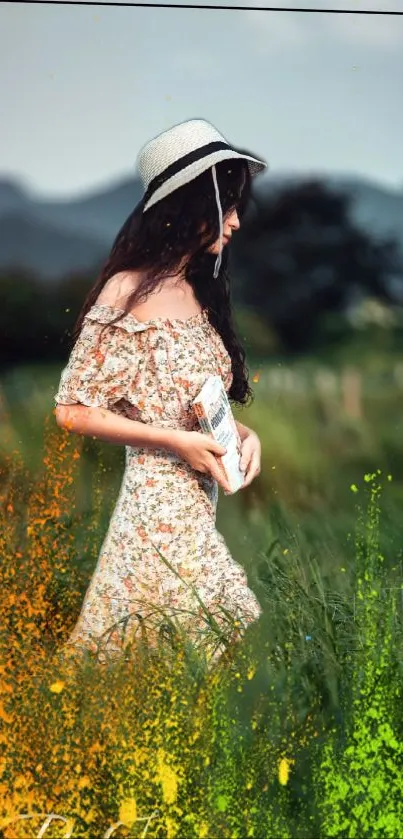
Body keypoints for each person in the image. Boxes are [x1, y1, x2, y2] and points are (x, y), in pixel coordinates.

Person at [54, 118, 267, 666]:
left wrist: (244, 435)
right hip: (153, 507)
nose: (237, 222)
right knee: (163, 651)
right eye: (227, 207)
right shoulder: (126, 290)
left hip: (197, 507)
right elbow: (72, 411)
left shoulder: (196, 291)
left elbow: (197, 402)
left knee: (183, 662)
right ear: (185, 208)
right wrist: (175, 443)